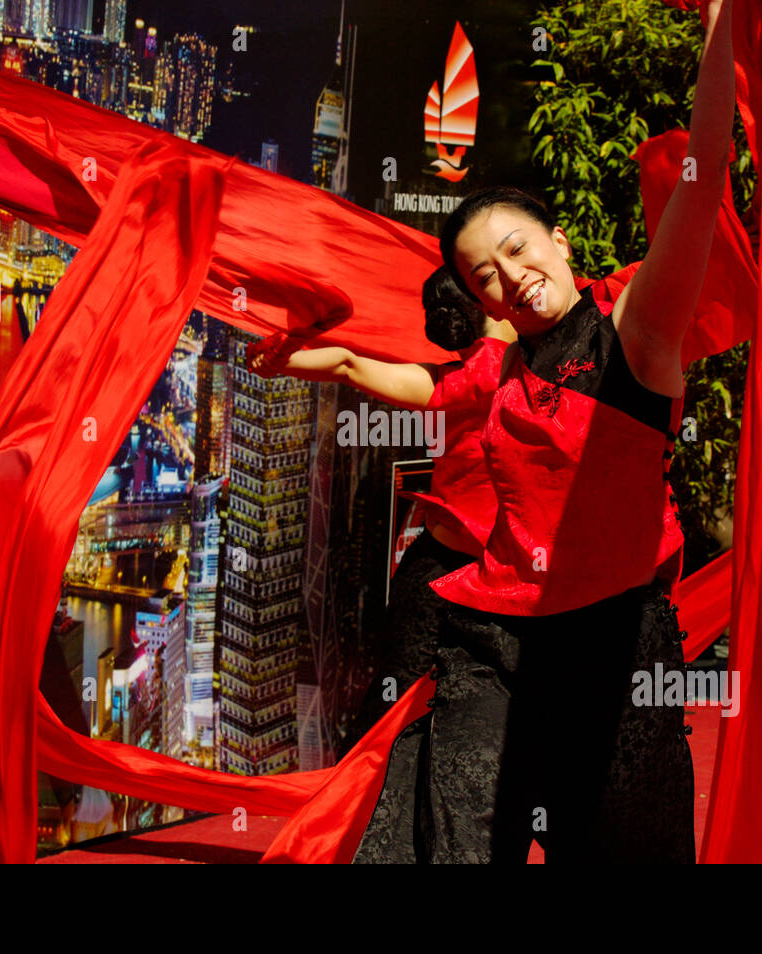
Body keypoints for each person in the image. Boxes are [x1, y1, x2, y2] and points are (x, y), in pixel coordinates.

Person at [381, 0, 734, 863]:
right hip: (494, 645)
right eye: (484, 275)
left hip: (618, 655)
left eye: (517, 248)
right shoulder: (494, 368)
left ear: (562, 242)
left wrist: (723, 33)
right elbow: (407, 384)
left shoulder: (639, 334)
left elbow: (702, 184)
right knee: (453, 839)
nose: (510, 277)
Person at [248, 267, 517, 826]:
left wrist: (279, 360)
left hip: (440, 568)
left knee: (392, 711)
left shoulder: (445, 384)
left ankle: (347, 820)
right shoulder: (527, 366)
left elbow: (347, 363)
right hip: (496, 580)